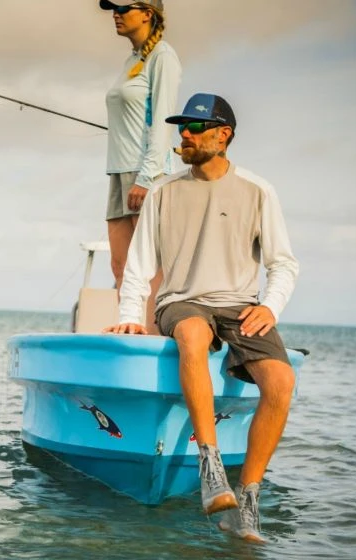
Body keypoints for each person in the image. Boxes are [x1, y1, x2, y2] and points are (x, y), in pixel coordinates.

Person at [104, 93, 299, 544]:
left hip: (240, 305)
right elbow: (139, 264)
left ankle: (247, 502)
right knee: (192, 334)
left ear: (223, 135)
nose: (185, 136)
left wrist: (270, 306)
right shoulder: (163, 191)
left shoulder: (258, 190)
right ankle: (211, 467)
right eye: (181, 128)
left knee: (281, 381)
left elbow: (283, 263)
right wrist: (131, 315)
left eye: (195, 127)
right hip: (182, 300)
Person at [100, 0, 181, 332]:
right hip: (118, 172)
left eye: (124, 8)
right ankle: (130, 328)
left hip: (146, 172)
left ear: (148, 13)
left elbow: (163, 121)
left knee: (149, 270)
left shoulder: (163, 57)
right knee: (120, 266)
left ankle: (155, 337)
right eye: (113, 8)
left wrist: (147, 178)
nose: (116, 14)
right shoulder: (133, 60)